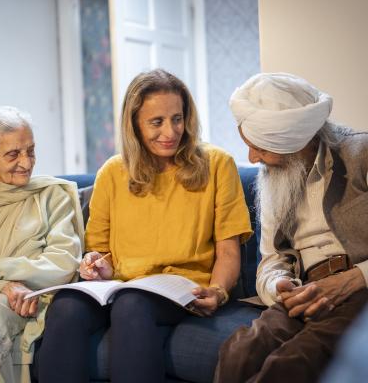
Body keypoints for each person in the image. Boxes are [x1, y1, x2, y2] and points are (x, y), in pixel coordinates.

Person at [36, 68, 253, 383]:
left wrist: (218, 291)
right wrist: (98, 265)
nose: (170, 132)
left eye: (177, 119)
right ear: (134, 124)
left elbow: (229, 250)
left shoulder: (218, 164)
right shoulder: (112, 172)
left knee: (132, 304)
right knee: (67, 306)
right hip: (120, 287)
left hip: (183, 288)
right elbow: (101, 252)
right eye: (156, 122)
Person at [214, 72, 368, 383]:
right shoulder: (272, 178)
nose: (252, 157)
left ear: (294, 140)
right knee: (239, 353)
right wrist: (279, 286)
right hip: (303, 290)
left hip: (358, 292)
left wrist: (355, 278)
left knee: (289, 365)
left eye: (260, 148)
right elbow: (271, 260)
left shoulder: (361, 155)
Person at [0, 106, 83, 383]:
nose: (27, 162)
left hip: (31, 304)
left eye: (30, 151)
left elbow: (64, 262)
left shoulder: (53, 196)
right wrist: (1, 285)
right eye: (13, 154)